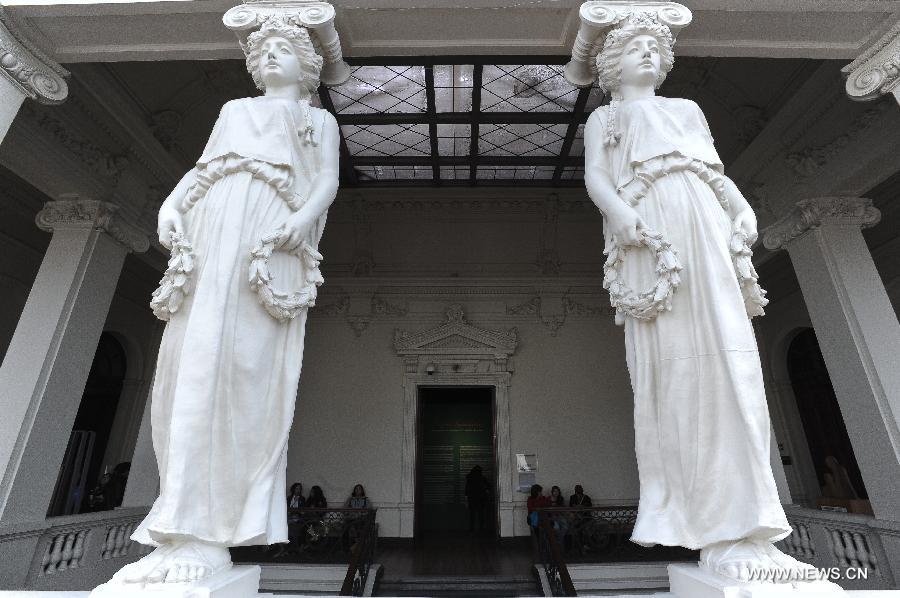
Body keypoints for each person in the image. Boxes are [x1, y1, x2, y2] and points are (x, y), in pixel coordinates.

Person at [583, 12, 815, 582]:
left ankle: (753, 525)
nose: (646, 54)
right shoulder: (605, 117)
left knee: (734, 357)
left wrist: (742, 207)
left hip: (704, 222)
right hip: (652, 226)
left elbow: (713, 171)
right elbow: (596, 178)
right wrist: (622, 215)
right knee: (680, 367)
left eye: (651, 47)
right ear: (611, 64)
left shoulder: (687, 111)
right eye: (633, 47)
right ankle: (715, 525)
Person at [111, 16, 340, 586]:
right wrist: (171, 204)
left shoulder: (317, 119)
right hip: (213, 235)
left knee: (241, 372)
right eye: (261, 52)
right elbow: (202, 170)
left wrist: (301, 221)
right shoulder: (234, 111)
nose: (268, 59)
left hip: (268, 238)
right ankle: (180, 525)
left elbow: (326, 183)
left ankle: (212, 530)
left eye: (282, 49)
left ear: (306, 63)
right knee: (189, 362)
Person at [464, 465, 490, 533]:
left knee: (472, 515)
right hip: (480, 499)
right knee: (481, 515)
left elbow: (466, 490)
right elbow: (488, 486)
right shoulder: (482, 478)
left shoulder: (469, 478)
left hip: (472, 499)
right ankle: (481, 529)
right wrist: (486, 492)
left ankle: (472, 529)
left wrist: (466, 499)